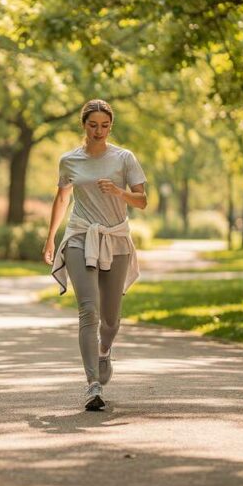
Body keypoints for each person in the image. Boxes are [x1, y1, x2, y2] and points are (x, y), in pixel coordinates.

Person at [43, 98, 147, 411]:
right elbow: (62, 200)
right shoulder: (70, 161)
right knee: (89, 310)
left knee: (111, 319)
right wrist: (50, 239)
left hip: (114, 239)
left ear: (110, 126)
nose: (98, 131)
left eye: (104, 125)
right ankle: (92, 385)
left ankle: (104, 351)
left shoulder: (125, 158)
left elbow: (142, 201)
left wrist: (119, 192)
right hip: (79, 237)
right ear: (84, 125)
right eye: (92, 125)